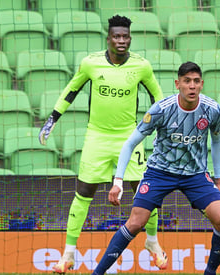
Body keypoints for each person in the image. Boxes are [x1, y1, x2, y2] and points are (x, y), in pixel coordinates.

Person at [38, 15, 166, 274]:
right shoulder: (90, 64)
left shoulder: (142, 66)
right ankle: (68, 255)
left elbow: (158, 97)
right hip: (96, 137)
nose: (121, 41)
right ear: (108, 38)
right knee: (83, 192)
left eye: (125, 36)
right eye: (116, 36)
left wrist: (163, 125)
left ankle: (152, 242)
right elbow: (71, 91)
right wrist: (52, 119)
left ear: (130, 38)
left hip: (131, 138)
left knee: (145, 192)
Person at [91, 62, 220, 275]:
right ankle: (97, 273)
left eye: (195, 81)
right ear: (178, 84)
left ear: (201, 84)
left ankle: (210, 272)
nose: (191, 86)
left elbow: (217, 141)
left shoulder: (212, 109)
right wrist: (118, 181)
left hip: (195, 175)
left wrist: (219, 181)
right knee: (136, 222)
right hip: (159, 172)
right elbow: (129, 144)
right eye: (186, 81)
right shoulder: (161, 109)